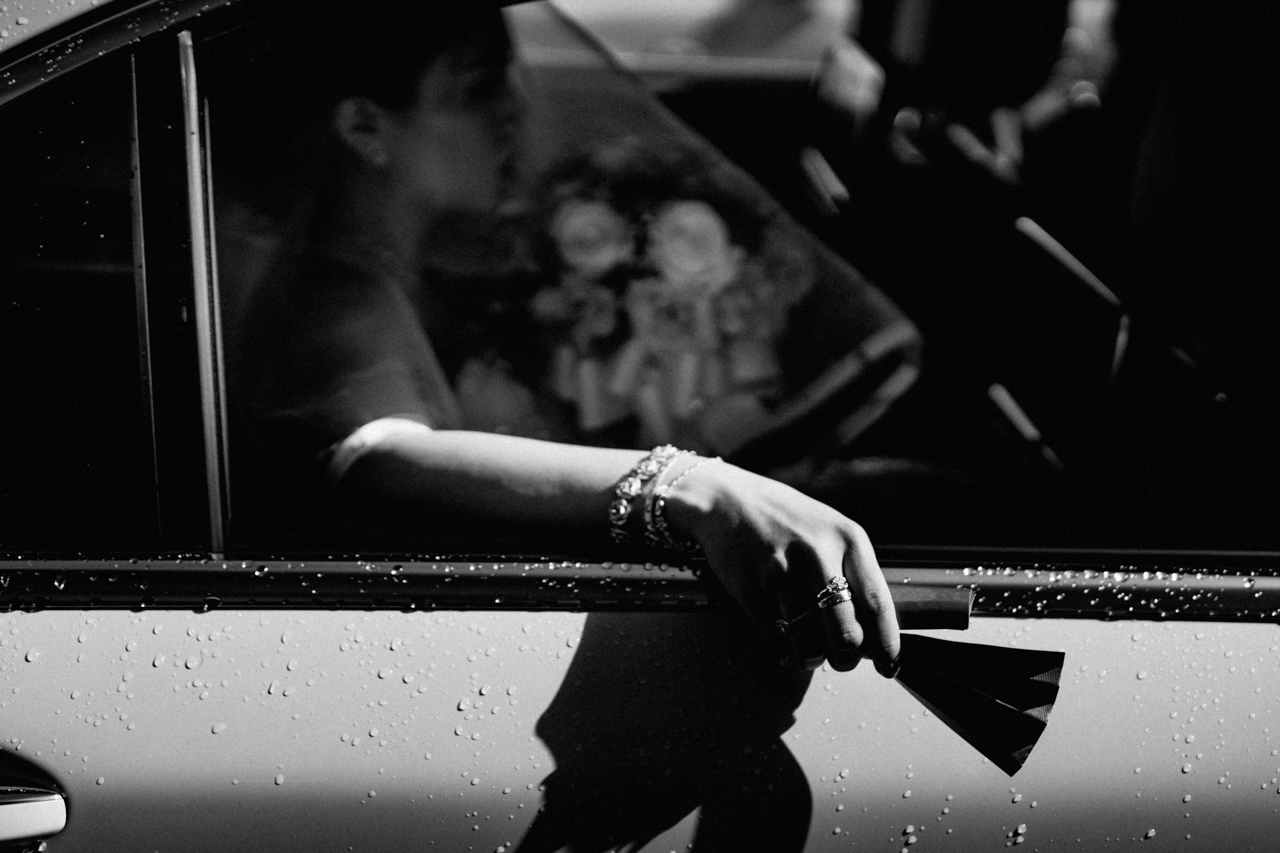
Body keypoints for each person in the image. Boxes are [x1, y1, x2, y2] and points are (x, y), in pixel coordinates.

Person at [215, 1, 905, 847]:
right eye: (477, 86)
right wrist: (690, 489)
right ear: (365, 125)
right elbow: (378, 457)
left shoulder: (414, 278)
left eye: (510, 74)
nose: (515, 103)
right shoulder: (339, 298)